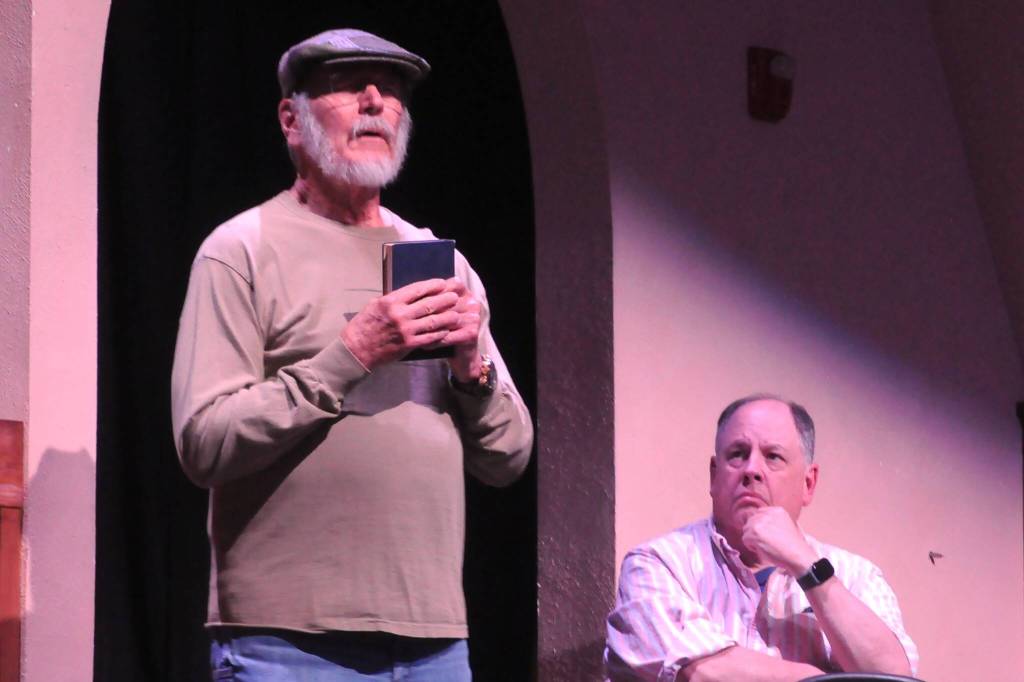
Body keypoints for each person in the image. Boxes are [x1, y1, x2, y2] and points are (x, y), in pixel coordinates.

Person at [170, 28, 533, 681]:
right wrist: (351, 354)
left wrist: (470, 369)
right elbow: (204, 442)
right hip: (287, 643)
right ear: (291, 118)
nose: (376, 101)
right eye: (350, 84)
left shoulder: (445, 265)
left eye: (393, 92)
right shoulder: (241, 249)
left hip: (434, 645)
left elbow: (509, 457)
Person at [605, 394, 918, 681]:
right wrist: (825, 679)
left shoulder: (858, 577)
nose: (752, 470)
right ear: (714, 476)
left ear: (808, 483)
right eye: (738, 455)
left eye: (773, 457)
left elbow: (891, 677)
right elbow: (703, 674)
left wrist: (807, 564)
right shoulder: (658, 563)